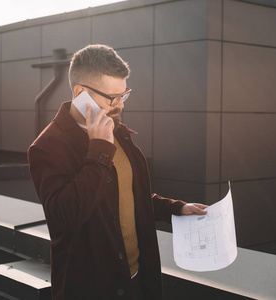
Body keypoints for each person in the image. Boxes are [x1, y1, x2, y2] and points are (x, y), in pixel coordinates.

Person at [28, 44, 207, 300]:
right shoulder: (48, 146)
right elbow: (63, 219)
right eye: (112, 97)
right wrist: (99, 149)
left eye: (124, 95)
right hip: (91, 290)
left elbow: (124, 195)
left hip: (137, 281)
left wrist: (175, 208)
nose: (119, 105)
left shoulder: (115, 129)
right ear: (80, 93)